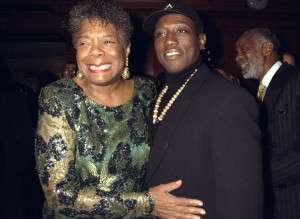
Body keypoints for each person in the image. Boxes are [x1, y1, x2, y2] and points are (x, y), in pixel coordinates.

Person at [35, 0, 205, 218]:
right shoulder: (59, 97)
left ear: (126, 49)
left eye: (107, 42)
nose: (95, 52)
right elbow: (58, 195)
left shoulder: (147, 91)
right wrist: (147, 203)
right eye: (84, 43)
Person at [142, 2, 264, 219]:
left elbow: (243, 206)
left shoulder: (230, 100)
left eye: (181, 30)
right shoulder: (156, 96)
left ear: (201, 40)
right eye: (161, 34)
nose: (169, 40)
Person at [235, 28, 300, 219]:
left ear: (267, 48)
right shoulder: (250, 95)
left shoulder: (296, 80)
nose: (238, 58)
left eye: (243, 50)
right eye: (236, 53)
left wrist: (257, 174)